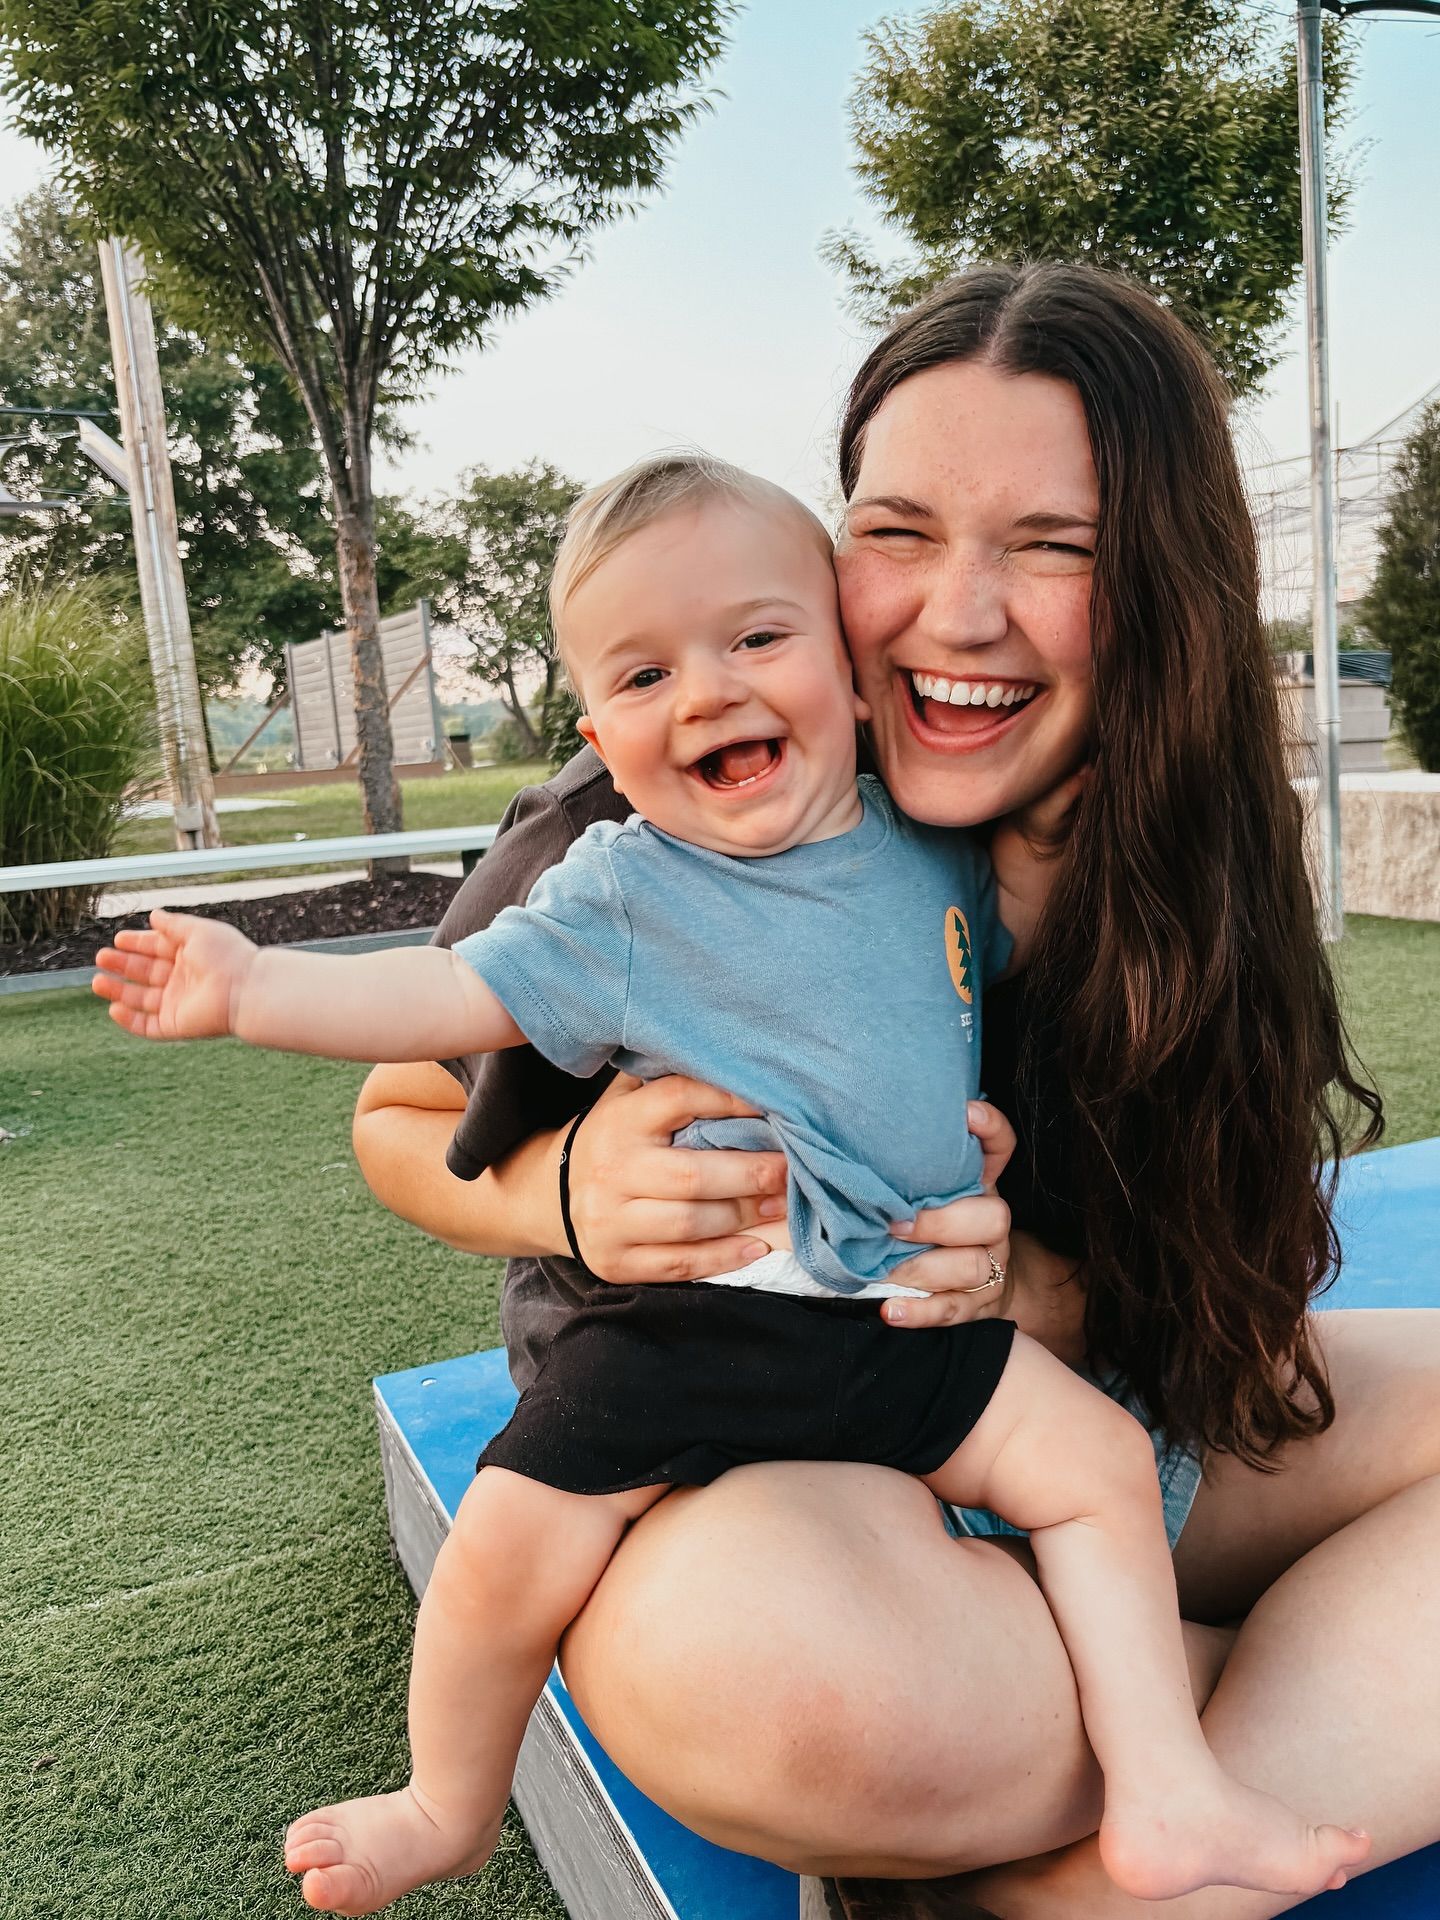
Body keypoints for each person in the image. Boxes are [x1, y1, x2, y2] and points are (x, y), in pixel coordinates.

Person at [92, 450, 1368, 1917]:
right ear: (600, 734)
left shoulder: (920, 846)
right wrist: (256, 987)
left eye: (757, 640)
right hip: (691, 1331)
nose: (704, 692)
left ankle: (1167, 1791)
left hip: (895, 1318)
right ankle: (440, 1800)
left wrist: (1108, 781)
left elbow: (1007, 942)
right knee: (509, 1545)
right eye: (644, 678)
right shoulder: (619, 893)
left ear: (843, 657)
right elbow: (432, 1007)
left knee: (1091, 1473)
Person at [347, 264, 1440, 1920]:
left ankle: (1101, 1859)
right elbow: (395, 1123)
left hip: (1062, 1446)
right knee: (784, 1682)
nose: (958, 614)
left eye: (1055, 546)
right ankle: (1255, 1729)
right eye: (899, 531)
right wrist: (569, 1189)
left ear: (1162, 583)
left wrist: (1030, 1277)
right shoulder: (649, 834)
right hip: (760, 1492)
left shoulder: (1184, 849)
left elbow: (1222, 1303)